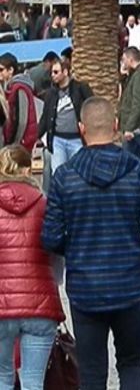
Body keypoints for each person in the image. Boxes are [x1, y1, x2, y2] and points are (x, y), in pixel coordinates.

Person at [41, 96, 140, 389]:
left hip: (85, 288)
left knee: (92, 372)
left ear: (82, 128)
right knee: (132, 364)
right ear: (116, 125)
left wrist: (74, 251)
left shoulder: (64, 177)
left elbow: (50, 236)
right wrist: (138, 252)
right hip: (130, 285)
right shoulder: (139, 171)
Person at [0, 145, 64, 390]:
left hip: (2, 304)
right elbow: (57, 256)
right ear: (28, 169)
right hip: (41, 303)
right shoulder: (45, 204)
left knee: (3, 377)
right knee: (34, 381)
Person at [38, 60, 93, 173]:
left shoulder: (80, 88)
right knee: (58, 172)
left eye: (56, 72)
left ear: (65, 72)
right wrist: (37, 136)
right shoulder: (51, 93)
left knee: (79, 172)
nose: (53, 75)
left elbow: (92, 107)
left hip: (77, 139)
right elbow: (46, 116)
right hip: (58, 139)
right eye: (52, 72)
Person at [0, 53, 38, 153]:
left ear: (11, 70)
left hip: (21, 143)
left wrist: (15, 143)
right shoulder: (12, 87)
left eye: (1, 70)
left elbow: (22, 120)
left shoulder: (19, 88)